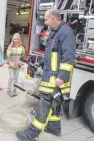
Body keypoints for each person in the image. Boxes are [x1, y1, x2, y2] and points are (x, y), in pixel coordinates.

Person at [16, 9, 76, 140]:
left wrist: (62, 77)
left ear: (54, 18)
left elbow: (69, 57)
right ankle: (54, 128)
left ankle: (30, 134)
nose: (45, 22)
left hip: (55, 78)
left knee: (45, 104)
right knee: (54, 102)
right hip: (50, 75)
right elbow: (53, 53)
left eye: (47, 19)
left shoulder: (66, 33)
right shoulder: (56, 32)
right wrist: (42, 63)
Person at [6, 33, 25, 97]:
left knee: (16, 78)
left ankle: (14, 90)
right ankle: (8, 90)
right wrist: (12, 64)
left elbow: (23, 57)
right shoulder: (10, 47)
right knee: (11, 77)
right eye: (15, 39)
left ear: (19, 39)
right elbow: (8, 56)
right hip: (11, 66)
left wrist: (20, 64)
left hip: (18, 66)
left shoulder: (22, 48)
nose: (16, 40)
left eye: (17, 39)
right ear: (13, 39)